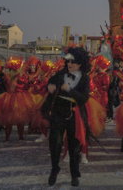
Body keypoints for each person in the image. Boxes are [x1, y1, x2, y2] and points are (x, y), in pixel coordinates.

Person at [41, 47, 90, 187]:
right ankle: (54, 169)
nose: (70, 64)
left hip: (75, 115)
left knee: (74, 147)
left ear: (80, 64)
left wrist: (70, 90)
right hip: (58, 113)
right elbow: (50, 83)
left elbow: (84, 98)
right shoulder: (60, 74)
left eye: (73, 62)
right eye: (68, 61)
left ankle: (74, 174)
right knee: (55, 144)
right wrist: (49, 86)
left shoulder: (85, 78)